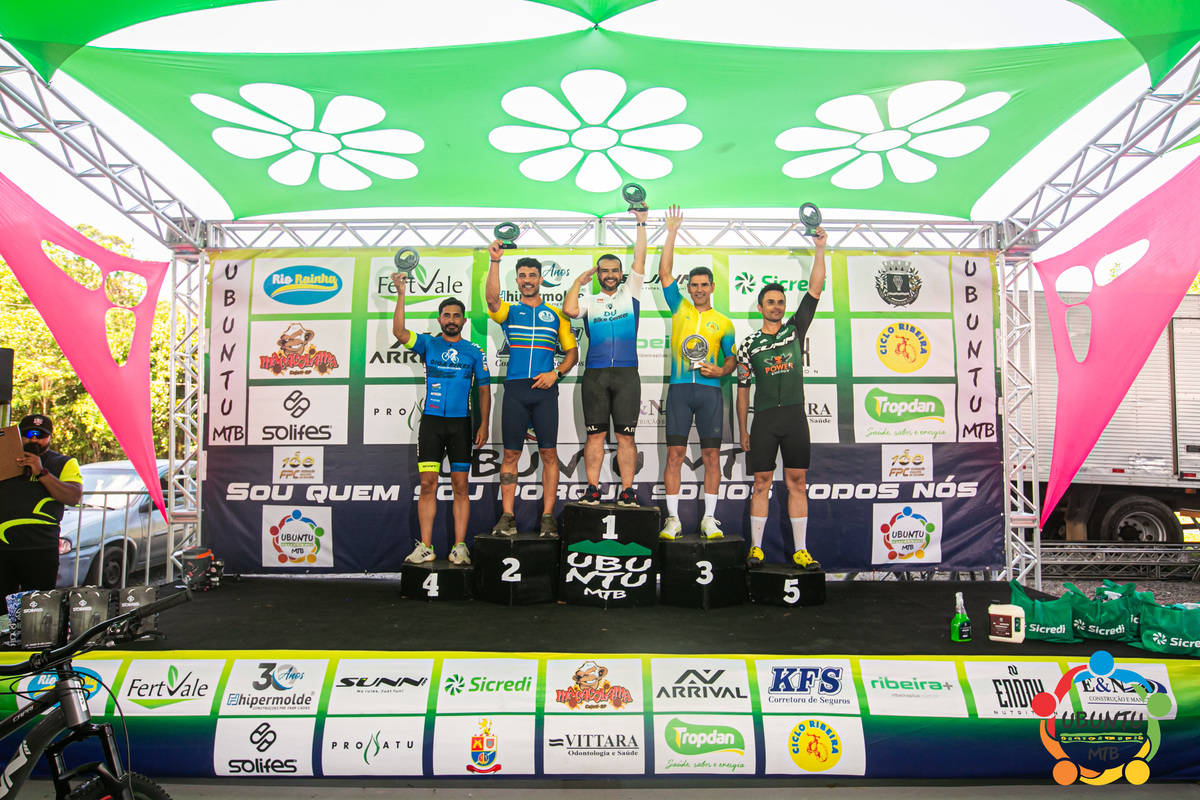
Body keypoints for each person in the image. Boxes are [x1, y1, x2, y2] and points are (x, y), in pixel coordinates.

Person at [735, 227, 828, 570]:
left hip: (794, 418)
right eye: (771, 302)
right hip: (764, 420)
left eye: (781, 302)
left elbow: (815, 289)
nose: (776, 306)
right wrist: (743, 429)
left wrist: (820, 248)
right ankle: (756, 550)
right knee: (761, 483)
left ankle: (801, 550)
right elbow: (742, 390)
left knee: (797, 482)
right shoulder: (748, 345)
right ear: (760, 307)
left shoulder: (794, 330)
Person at [391, 275, 491, 566]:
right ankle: (425, 547)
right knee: (427, 484)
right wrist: (401, 293)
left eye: (456, 316)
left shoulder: (474, 351)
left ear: (463, 321)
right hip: (432, 424)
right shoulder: (427, 344)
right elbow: (399, 332)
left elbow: (484, 390)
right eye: (446, 315)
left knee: (461, 486)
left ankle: (460, 546)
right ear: (439, 319)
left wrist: (484, 424)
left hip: (461, 425)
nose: (451, 320)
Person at [485, 241, 579, 536]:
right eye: (523, 276)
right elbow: (491, 300)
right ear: (517, 280)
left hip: (545, 392)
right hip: (515, 390)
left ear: (540, 279)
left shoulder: (558, 315)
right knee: (510, 455)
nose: (527, 280)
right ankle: (508, 517)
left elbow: (572, 353)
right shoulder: (509, 312)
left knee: (549, 454)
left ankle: (548, 517)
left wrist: (556, 373)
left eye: (532, 275)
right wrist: (495, 261)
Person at [657, 205, 737, 540]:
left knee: (711, 456)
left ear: (712, 287)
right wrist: (671, 233)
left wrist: (721, 369)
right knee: (674, 455)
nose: (699, 289)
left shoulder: (724, 322)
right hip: (679, 391)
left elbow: (732, 359)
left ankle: (709, 520)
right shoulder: (679, 308)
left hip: (710, 393)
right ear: (688, 288)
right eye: (694, 285)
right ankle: (673, 520)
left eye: (704, 284)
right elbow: (664, 273)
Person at [562, 202, 649, 507]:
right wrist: (578, 282)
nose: (610, 275)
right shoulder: (589, 300)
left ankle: (627, 491)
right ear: (597, 274)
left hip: (627, 374)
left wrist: (641, 223)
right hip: (596, 375)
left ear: (621, 274)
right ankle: (592, 489)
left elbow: (640, 257)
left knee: (626, 437)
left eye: (614, 271)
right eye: (604, 271)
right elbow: (569, 309)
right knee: (595, 436)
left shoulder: (631, 292)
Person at [0, 414, 83, 599]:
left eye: (41, 435)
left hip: (40, 548)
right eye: (28, 434)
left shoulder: (64, 463)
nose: (34, 439)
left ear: (50, 437)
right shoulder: (4, 459)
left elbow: (73, 497)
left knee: (38, 605)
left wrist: (41, 472)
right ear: (19, 435)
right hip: (3, 549)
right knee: (2, 609)